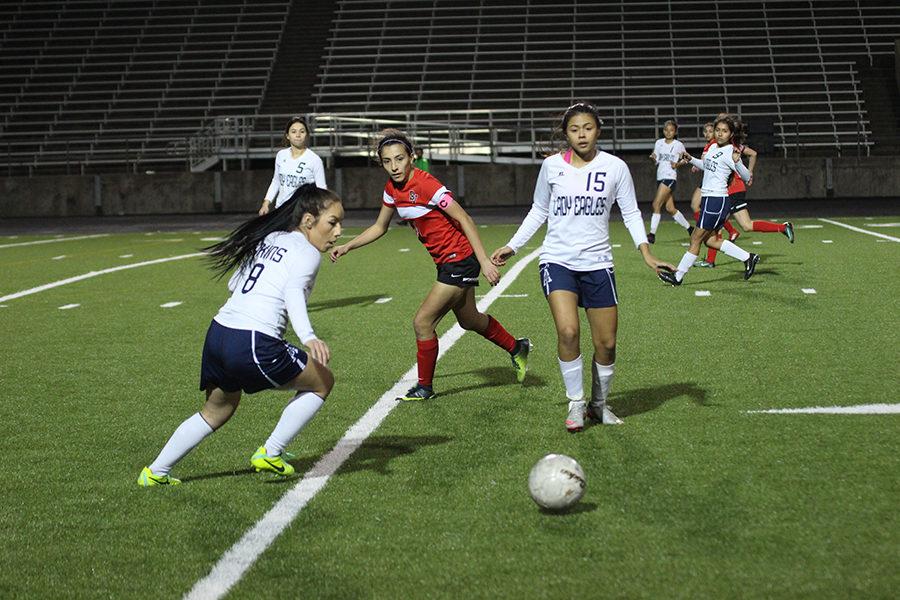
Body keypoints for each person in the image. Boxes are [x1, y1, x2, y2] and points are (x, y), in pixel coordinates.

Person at [138, 184, 344, 486]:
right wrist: (309, 336)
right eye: (333, 222)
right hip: (253, 340)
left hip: (219, 333)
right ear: (309, 221)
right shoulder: (307, 253)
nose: (339, 231)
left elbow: (235, 282)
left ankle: (155, 472)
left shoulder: (272, 237)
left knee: (217, 410)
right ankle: (271, 452)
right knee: (322, 381)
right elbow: (292, 293)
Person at [490, 102, 673, 432]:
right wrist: (512, 246)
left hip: (598, 263)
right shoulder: (550, 167)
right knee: (569, 331)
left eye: (587, 128)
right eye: (574, 129)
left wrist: (646, 253)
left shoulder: (615, 167)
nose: (581, 134)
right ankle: (576, 404)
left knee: (606, 343)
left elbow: (631, 213)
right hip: (557, 261)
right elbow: (539, 210)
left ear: (598, 130)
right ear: (566, 134)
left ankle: (599, 405)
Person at [330, 129, 530, 401]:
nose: (394, 166)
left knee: (422, 322)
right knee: (469, 319)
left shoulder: (427, 185)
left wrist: (484, 260)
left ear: (411, 157)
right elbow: (380, 226)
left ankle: (425, 387)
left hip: (458, 260)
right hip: (447, 262)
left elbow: (465, 219)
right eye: (387, 161)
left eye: (399, 159)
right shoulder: (392, 189)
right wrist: (347, 246)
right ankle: (517, 347)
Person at [658, 115, 758, 286]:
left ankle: (678, 276)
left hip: (716, 201)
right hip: (709, 200)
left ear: (731, 134)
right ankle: (748, 257)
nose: (720, 134)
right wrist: (691, 159)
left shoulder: (730, 152)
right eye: (718, 130)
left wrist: (738, 162)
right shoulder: (712, 148)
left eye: (724, 131)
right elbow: (706, 166)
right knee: (710, 240)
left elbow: (746, 176)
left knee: (695, 239)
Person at [698, 142, 794, 267]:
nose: (709, 134)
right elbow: (752, 153)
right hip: (734, 189)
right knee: (746, 225)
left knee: (716, 227)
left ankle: (711, 261)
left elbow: (752, 154)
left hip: (730, 190)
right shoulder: (728, 145)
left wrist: (749, 173)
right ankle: (783, 228)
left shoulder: (718, 145)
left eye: (712, 130)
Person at [258, 116, 327, 215]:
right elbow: (276, 181)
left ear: (307, 135)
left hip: (303, 213)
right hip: (281, 211)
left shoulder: (315, 160)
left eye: (302, 132)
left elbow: (322, 189)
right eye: (293, 132)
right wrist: (266, 203)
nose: (298, 135)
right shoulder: (281, 155)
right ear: (287, 135)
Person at [646, 120, 692, 244]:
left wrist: (677, 164)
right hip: (660, 176)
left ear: (675, 131)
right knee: (670, 208)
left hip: (670, 177)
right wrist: (653, 158)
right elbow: (656, 159)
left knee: (656, 204)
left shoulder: (678, 145)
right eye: (666, 130)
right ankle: (690, 229)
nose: (668, 132)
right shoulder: (659, 143)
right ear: (663, 131)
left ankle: (652, 235)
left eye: (671, 130)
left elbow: (686, 159)